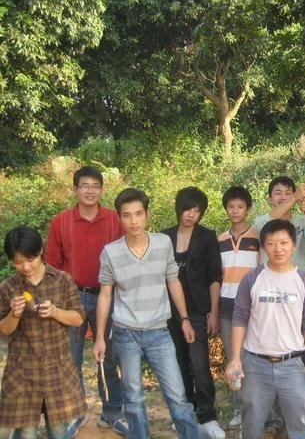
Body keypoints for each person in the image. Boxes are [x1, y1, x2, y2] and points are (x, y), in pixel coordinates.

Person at [92, 188, 200, 439]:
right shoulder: (110, 252)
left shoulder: (163, 243)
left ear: (147, 214)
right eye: (127, 215)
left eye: (139, 214)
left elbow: (173, 281)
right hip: (125, 333)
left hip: (159, 332)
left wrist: (184, 319)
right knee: (133, 398)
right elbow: (105, 295)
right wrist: (99, 337)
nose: (134, 221)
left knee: (177, 396)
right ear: (119, 218)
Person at [224, 219, 305, 439]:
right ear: (264, 247)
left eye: (284, 243)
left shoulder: (303, 280)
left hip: (292, 365)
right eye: (271, 243)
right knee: (252, 423)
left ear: (294, 245)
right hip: (255, 365)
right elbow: (240, 319)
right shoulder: (252, 278)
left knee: (303, 423)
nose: (278, 249)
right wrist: (235, 358)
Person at [44, 165, 127, 437]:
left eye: (95, 186)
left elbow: (127, 255)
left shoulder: (115, 220)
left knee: (111, 357)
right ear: (75, 189)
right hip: (72, 298)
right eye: (84, 186)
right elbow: (52, 263)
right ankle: (75, 413)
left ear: (102, 189)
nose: (90, 191)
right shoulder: (61, 221)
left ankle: (112, 413)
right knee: (71, 359)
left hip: (108, 296)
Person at [0, 226, 86, 439]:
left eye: (30, 260)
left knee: (58, 431)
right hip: (22, 372)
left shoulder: (62, 280)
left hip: (56, 369)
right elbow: (4, 330)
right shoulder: (8, 287)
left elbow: (78, 318)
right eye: (17, 262)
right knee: (25, 432)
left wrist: (55, 312)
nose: (25, 267)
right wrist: (14, 315)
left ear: (40, 251)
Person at [161, 187, 226, 439]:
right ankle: (186, 414)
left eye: (197, 211)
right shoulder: (164, 237)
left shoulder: (207, 236)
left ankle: (208, 416)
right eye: (187, 209)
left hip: (198, 310)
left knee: (200, 365)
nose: (191, 215)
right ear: (179, 208)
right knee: (179, 363)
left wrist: (213, 311)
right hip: (170, 312)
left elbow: (214, 276)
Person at [218, 185, 261, 431]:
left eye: (240, 206)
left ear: (248, 209)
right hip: (226, 308)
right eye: (231, 206)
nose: (235, 211)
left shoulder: (258, 236)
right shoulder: (220, 240)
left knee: (255, 359)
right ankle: (238, 407)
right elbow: (217, 277)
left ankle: (257, 408)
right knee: (234, 359)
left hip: (254, 308)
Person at [254, 176, 305, 270]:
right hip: (268, 277)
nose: (283, 197)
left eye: (288, 193)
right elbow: (260, 226)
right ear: (269, 199)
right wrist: (294, 198)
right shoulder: (260, 220)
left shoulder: (304, 222)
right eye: (278, 193)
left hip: (298, 277)